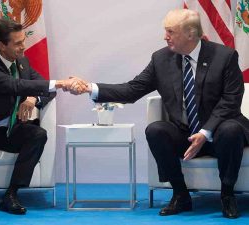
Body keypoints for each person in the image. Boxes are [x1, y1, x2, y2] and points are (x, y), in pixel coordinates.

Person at [68, 9, 249, 219]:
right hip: (186, 133)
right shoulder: (161, 59)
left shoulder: (224, 56)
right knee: (156, 130)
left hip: (219, 132)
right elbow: (131, 90)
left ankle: (227, 195)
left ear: (190, 34)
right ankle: (180, 195)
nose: (165, 37)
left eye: (171, 32)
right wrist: (90, 88)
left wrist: (205, 132)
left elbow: (231, 100)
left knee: (230, 129)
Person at [0, 18, 86, 220]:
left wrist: (33, 99)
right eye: (17, 43)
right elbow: (14, 87)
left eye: (23, 40)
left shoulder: (22, 62)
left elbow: (43, 89)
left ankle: (12, 194)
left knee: (37, 134)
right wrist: (61, 82)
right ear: (1, 45)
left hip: (5, 131)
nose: (23, 46)